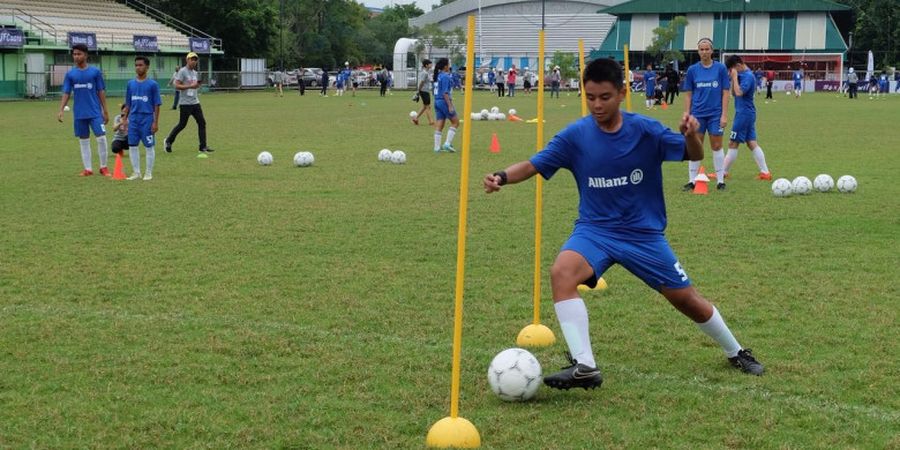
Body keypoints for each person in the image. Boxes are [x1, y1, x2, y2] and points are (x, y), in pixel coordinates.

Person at [482, 58, 764, 390]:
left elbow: (692, 154)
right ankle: (585, 366)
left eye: (604, 97)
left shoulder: (645, 130)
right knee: (561, 272)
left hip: (642, 235)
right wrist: (501, 176)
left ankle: (735, 350)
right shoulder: (575, 136)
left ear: (621, 93)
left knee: (686, 299)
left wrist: (690, 135)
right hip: (595, 231)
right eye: (590, 97)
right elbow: (533, 164)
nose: (597, 105)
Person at [682, 38, 731, 191]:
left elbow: (725, 93)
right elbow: (688, 95)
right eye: (701, 49)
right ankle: (692, 181)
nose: (704, 52)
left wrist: (724, 115)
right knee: (696, 146)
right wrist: (687, 115)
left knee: (716, 145)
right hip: (697, 115)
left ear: (711, 51)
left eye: (706, 49)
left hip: (715, 114)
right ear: (698, 51)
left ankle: (720, 181)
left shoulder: (721, 69)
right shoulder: (692, 70)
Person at [57, 43, 111, 177]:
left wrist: (105, 110)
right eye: (74, 54)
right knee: (83, 140)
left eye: (79, 54)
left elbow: (101, 91)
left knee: (101, 138)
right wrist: (61, 109)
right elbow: (66, 93)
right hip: (79, 113)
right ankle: (88, 169)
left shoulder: (95, 72)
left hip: (95, 112)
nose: (76, 56)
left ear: (86, 55)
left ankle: (103, 167)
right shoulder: (70, 74)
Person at [721, 55, 771, 182]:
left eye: (732, 69)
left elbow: (739, 93)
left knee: (733, 142)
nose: (731, 72)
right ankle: (765, 172)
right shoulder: (741, 75)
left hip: (744, 114)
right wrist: (734, 80)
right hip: (745, 113)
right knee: (751, 143)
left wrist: (734, 78)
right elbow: (733, 93)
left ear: (738, 65)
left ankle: (723, 172)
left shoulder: (748, 76)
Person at [164, 52, 214, 154]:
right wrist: (190, 86)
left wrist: (197, 85)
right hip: (185, 103)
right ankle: (168, 140)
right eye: (192, 59)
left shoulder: (195, 73)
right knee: (182, 124)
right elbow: (176, 85)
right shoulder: (182, 71)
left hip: (195, 102)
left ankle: (203, 147)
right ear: (187, 60)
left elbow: (195, 86)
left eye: (195, 59)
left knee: (202, 123)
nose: (194, 61)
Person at [123, 56, 162, 181]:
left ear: (147, 67)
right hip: (133, 119)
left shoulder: (153, 85)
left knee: (149, 146)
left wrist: (155, 122)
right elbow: (128, 103)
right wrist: (124, 119)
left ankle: (148, 172)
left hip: (147, 119)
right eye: (136, 65)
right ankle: (136, 172)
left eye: (140, 65)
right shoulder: (130, 84)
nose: (138, 67)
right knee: (132, 145)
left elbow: (156, 104)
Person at [432, 58, 459, 153]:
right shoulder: (445, 77)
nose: (449, 66)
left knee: (440, 124)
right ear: (445, 66)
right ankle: (447, 144)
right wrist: (450, 105)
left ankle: (437, 148)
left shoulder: (438, 75)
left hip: (436, 101)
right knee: (455, 122)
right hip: (443, 101)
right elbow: (445, 93)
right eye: (449, 64)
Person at [413, 59, 435, 126]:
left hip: (426, 91)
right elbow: (421, 82)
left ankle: (416, 118)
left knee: (425, 106)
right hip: (424, 91)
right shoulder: (425, 73)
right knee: (427, 106)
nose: (431, 65)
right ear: (426, 65)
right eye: (430, 64)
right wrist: (418, 91)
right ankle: (431, 121)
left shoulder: (426, 72)